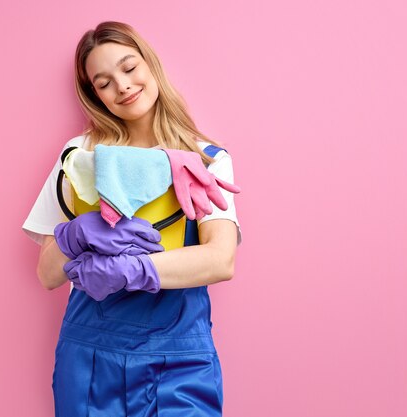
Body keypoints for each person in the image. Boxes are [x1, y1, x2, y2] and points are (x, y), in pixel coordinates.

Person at [22, 21, 242, 417]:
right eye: (103, 82)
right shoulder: (81, 157)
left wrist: (132, 270)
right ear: (94, 95)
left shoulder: (205, 159)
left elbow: (219, 259)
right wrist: (74, 235)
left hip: (179, 360)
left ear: (150, 65)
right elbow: (47, 274)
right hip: (91, 356)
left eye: (129, 67)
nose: (122, 86)